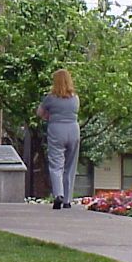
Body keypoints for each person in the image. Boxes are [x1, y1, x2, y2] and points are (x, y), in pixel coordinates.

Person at [37, 69, 80, 210]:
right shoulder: (75, 98)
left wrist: (49, 117)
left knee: (56, 165)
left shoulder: (50, 98)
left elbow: (39, 113)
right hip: (73, 130)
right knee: (70, 165)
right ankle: (67, 200)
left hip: (56, 129)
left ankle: (58, 194)